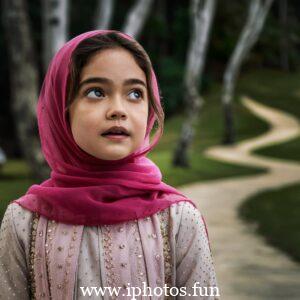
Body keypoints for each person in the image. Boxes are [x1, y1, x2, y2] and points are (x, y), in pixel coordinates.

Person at [0, 30, 220, 299]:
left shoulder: (178, 220)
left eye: (135, 94)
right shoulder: (24, 222)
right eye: (96, 92)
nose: (118, 109)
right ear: (62, 108)